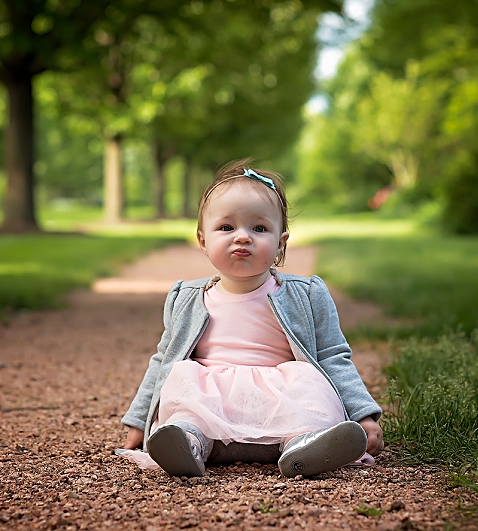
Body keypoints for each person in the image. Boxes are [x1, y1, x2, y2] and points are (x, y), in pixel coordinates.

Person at [118, 159, 383, 478]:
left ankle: (303, 446)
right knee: (186, 393)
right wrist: (138, 420)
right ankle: (187, 445)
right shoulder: (187, 298)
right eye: (226, 227)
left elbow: (332, 356)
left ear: (280, 242)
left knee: (310, 389)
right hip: (213, 408)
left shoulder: (305, 294)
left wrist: (365, 415)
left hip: (280, 406)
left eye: (258, 228)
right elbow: (163, 359)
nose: (242, 237)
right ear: (203, 240)